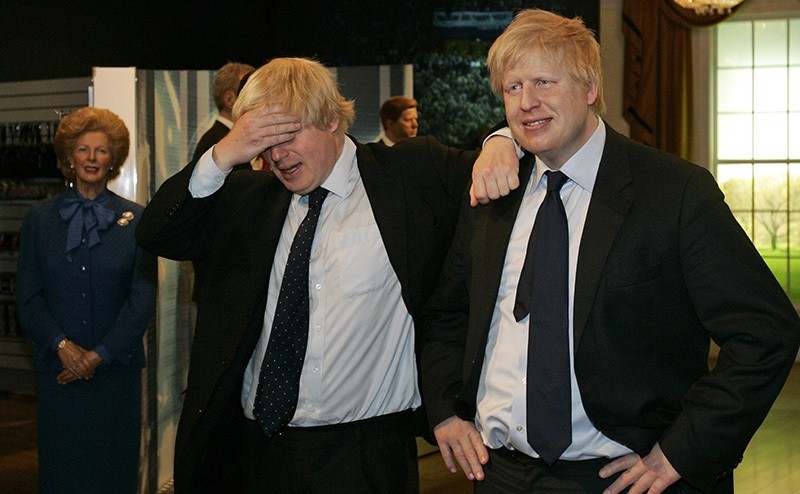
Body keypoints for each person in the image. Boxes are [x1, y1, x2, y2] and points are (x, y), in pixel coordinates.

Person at [419, 8, 800, 494]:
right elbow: (447, 317)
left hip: (628, 478)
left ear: (590, 89)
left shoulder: (674, 191)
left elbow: (765, 332)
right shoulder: (493, 194)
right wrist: (446, 412)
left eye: (544, 82)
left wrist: (683, 451)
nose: (527, 103)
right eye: (513, 88)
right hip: (501, 475)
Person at [135, 57, 518, 493]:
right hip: (254, 453)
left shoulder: (409, 175)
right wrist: (224, 153)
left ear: (332, 119)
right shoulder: (249, 199)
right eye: (263, 140)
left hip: (364, 458)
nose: (276, 155)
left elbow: (505, 174)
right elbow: (157, 233)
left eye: (288, 134)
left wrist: (501, 140)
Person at [15, 107, 158, 494]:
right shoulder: (39, 220)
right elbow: (27, 298)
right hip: (58, 375)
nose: (92, 158)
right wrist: (62, 346)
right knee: (64, 474)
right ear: (68, 158)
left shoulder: (139, 220)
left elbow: (143, 298)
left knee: (114, 473)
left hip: (116, 375)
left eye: (101, 150)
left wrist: (99, 355)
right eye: (83, 149)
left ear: (114, 159)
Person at [191, 61, 255, 164]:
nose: (258, 98)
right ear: (229, 99)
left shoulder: (222, 139)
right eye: (250, 92)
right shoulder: (220, 144)